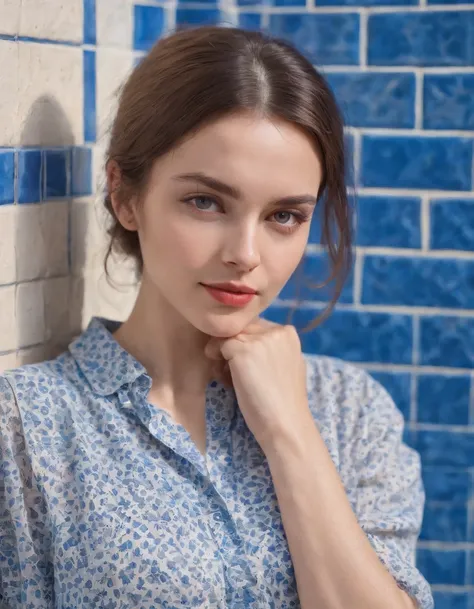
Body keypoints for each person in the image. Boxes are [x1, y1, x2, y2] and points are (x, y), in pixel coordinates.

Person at [0, 26, 433, 609]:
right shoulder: (27, 429)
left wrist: (288, 431)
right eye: (205, 202)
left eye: (284, 216)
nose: (246, 254)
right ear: (126, 195)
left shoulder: (352, 414)